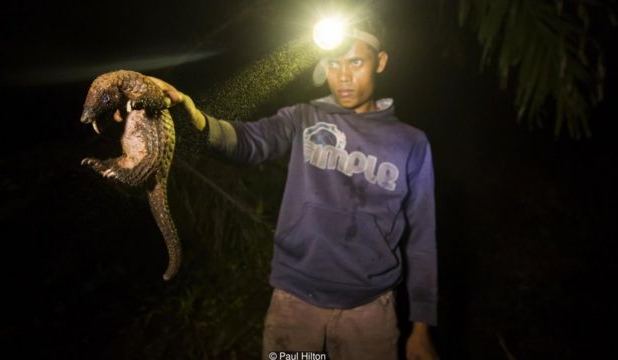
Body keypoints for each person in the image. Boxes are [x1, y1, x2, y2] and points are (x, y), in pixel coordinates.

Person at [149, 14, 438, 360]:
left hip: (370, 311)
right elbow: (247, 141)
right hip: (295, 304)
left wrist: (421, 328)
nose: (343, 75)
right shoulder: (303, 118)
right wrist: (190, 116)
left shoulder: (411, 143)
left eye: (356, 62)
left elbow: (422, 238)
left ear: (381, 61)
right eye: (333, 63)